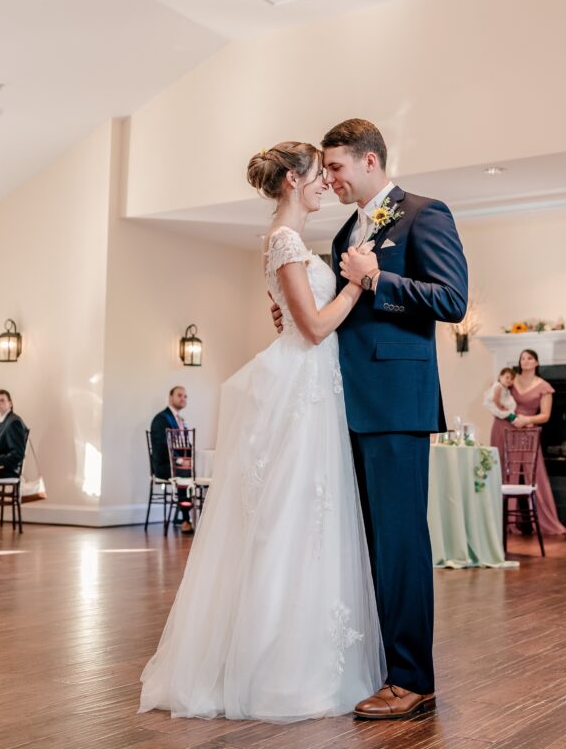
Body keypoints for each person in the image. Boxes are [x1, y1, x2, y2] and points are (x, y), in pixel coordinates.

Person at [140, 142, 384, 722]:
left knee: (307, 521)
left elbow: (296, 317)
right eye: (318, 175)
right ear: (293, 180)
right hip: (303, 389)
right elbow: (316, 326)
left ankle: (304, 659)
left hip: (312, 389)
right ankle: (278, 671)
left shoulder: (289, 241)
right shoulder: (284, 240)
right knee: (291, 521)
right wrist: (359, 281)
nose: (326, 182)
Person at [317, 118, 467, 720]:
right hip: (346, 403)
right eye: (325, 170)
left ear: (371, 161)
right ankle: (378, 666)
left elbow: (452, 299)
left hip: (397, 404)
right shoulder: (346, 231)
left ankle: (412, 678)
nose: (328, 179)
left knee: (401, 544)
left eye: (336, 167)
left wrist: (378, 277)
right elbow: (346, 311)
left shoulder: (425, 213)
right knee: (368, 544)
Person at [490, 349, 566, 536]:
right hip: (505, 428)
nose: (525, 361)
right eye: (522, 358)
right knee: (504, 472)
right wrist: (508, 415)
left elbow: (546, 415)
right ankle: (503, 522)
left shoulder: (543, 386)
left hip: (527, 433)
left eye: (529, 358)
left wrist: (526, 419)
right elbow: (495, 399)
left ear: (536, 362)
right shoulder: (510, 379)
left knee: (535, 475)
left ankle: (546, 521)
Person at [150, 386, 192, 532]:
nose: (183, 398)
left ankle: (197, 514)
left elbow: (186, 446)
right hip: (164, 466)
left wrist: (191, 460)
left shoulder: (181, 420)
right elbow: (162, 447)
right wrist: (180, 461)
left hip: (178, 465)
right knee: (185, 473)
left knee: (198, 470)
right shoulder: (161, 419)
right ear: (170, 398)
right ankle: (186, 519)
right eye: (180, 395)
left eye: (185, 396)